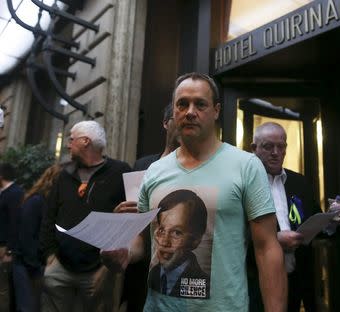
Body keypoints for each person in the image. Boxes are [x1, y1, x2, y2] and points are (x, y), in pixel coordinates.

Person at [103, 72, 287, 312]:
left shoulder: (246, 165)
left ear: (216, 111)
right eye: (182, 104)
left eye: (200, 104)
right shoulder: (155, 171)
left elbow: (267, 248)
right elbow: (142, 240)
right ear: (174, 112)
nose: (190, 111)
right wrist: (123, 252)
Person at [250, 122, 340, 312]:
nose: (275, 152)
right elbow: (230, 235)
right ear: (254, 149)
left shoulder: (300, 182)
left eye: (281, 146)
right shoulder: (242, 183)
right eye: (268, 146)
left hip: (295, 282)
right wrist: (273, 241)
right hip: (255, 284)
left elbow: (315, 228)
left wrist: (339, 222)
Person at [40, 120, 131, 312]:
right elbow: (49, 216)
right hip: (60, 267)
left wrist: (107, 269)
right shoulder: (63, 176)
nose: (67, 144)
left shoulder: (120, 171)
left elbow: (129, 220)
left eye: (71, 139)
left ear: (85, 142)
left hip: (98, 271)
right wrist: (49, 255)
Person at [118, 103, 180, 312]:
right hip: (143, 271)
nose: (184, 121)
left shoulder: (200, 169)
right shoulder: (143, 166)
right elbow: (133, 227)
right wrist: (122, 217)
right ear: (165, 123)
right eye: (177, 117)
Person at [13, 164, 62, 312]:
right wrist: (36, 267)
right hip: (27, 265)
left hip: (36, 265)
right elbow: (26, 237)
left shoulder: (48, 202)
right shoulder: (36, 201)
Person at [148, 189, 209, 298]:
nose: (164, 242)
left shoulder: (205, 283)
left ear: (195, 240)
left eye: (177, 232)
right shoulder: (154, 273)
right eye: (162, 230)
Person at [0, 163, 25, 312]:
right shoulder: (4, 192)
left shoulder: (15, 193)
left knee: (3, 289)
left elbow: (15, 223)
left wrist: (9, 250)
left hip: (4, 247)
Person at [134, 103, 180, 170]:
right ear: (165, 123)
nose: (183, 125)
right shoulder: (142, 165)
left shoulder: (197, 168)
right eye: (178, 119)